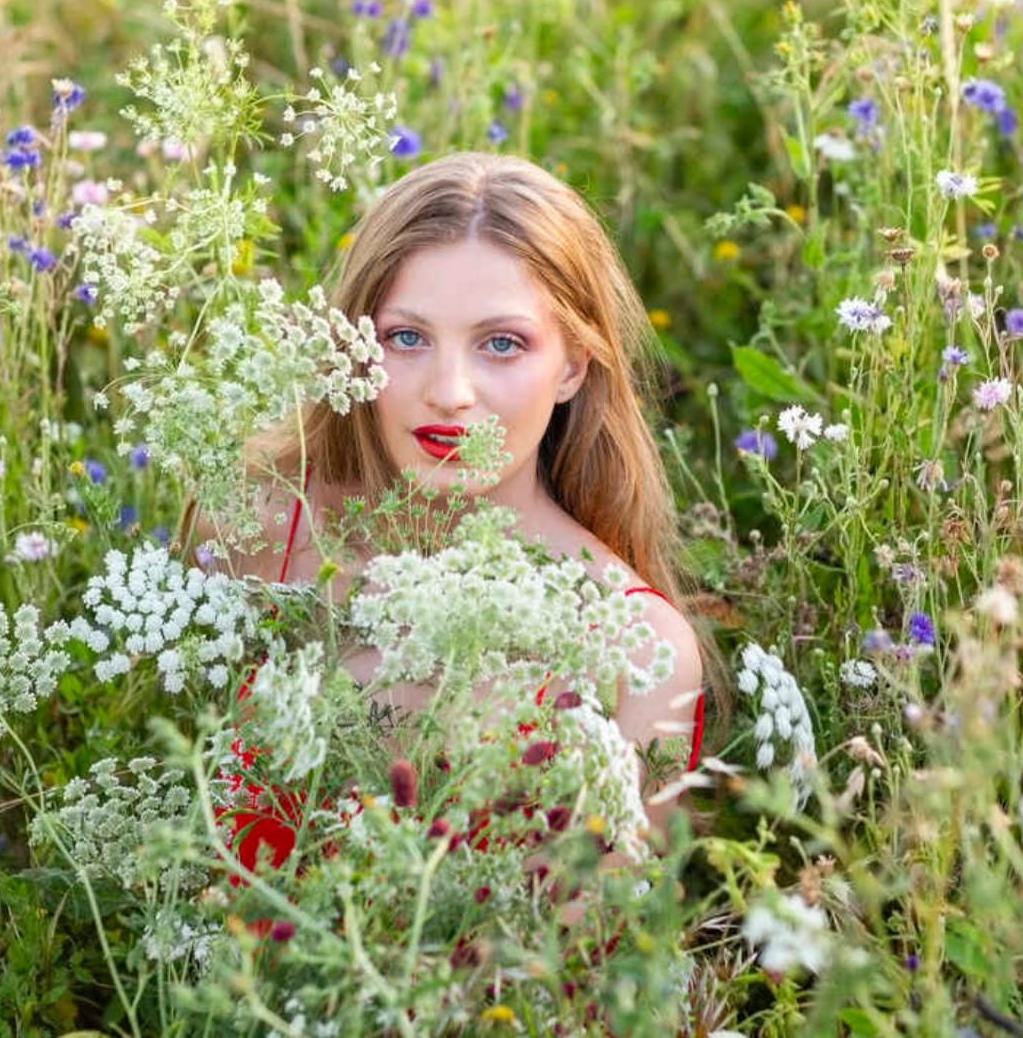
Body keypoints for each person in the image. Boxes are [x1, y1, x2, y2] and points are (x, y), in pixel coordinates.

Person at [208, 151, 716, 838]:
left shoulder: (640, 651)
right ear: (358, 348)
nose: (449, 392)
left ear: (572, 365)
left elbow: (600, 933)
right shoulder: (264, 533)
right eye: (407, 337)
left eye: (501, 344)